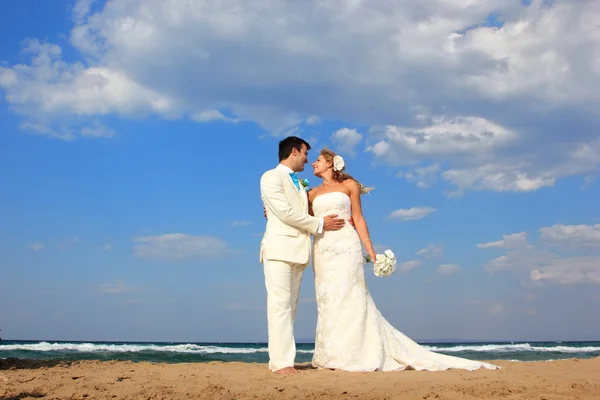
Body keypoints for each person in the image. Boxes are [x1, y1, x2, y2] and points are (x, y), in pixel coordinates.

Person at [308, 148, 500, 372]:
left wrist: (371, 251)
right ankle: (332, 354)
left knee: (352, 295)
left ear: (331, 163)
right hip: (323, 250)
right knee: (328, 299)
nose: (313, 163)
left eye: (318, 160)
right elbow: (303, 221)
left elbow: (358, 218)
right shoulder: (310, 194)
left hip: (347, 246)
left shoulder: (348, 186)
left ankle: (356, 353)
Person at [259, 136, 346, 374]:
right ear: (294, 151)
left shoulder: (299, 183)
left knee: (290, 308)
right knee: (279, 307)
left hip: (298, 251)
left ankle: (285, 360)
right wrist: (319, 224)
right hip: (279, 250)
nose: (308, 160)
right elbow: (285, 213)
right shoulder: (271, 177)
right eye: (306, 154)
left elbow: (289, 211)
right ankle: (281, 364)